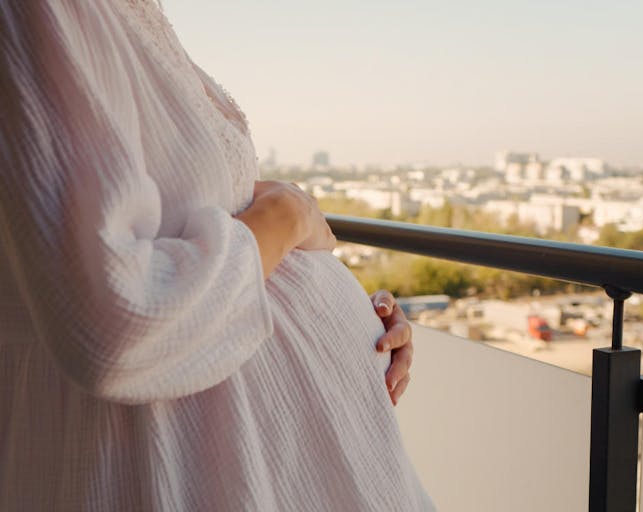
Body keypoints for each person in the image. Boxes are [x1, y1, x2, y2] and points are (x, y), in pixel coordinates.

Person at [0, 1, 434, 510]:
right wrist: (286, 217)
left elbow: (157, 203)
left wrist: (357, 320)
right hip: (169, 464)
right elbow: (111, 323)